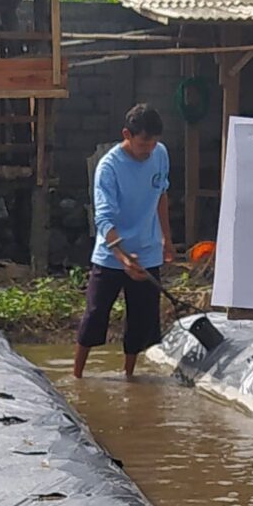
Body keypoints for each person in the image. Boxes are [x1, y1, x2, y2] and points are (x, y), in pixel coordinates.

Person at [75, 103, 171, 381]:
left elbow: (161, 194)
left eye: (154, 143)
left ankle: (130, 377)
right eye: (143, 143)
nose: (149, 149)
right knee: (95, 315)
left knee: (141, 320)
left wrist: (166, 238)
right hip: (111, 254)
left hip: (148, 251)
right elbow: (103, 219)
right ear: (127, 134)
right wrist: (122, 257)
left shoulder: (160, 154)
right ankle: (77, 376)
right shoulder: (109, 167)